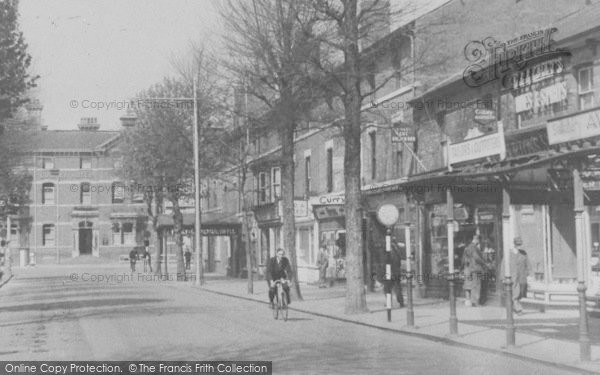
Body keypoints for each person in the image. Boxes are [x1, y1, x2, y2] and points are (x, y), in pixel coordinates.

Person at [461, 234, 488, 307]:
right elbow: (476, 258)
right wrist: (484, 263)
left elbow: (463, 260)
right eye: (478, 241)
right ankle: (475, 302)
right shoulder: (474, 248)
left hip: (470, 269)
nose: (479, 242)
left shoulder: (467, 248)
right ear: (477, 240)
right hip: (476, 268)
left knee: (473, 285)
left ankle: (472, 301)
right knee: (477, 285)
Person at [510, 237, 532, 314]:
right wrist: (503, 277)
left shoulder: (523, 253)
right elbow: (504, 265)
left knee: (521, 292)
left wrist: (529, 273)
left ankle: (515, 306)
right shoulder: (510, 253)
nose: (519, 246)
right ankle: (518, 308)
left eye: (520, 244)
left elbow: (527, 263)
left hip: (522, 275)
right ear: (514, 244)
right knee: (515, 292)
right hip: (513, 276)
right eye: (518, 244)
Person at [391, 238, 405, 307]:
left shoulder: (392, 250)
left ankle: (390, 303)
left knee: (389, 287)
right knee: (397, 287)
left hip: (392, 270)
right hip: (397, 270)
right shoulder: (397, 250)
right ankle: (401, 301)